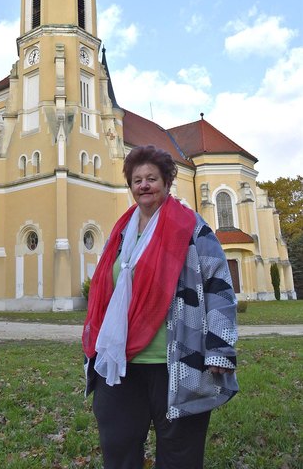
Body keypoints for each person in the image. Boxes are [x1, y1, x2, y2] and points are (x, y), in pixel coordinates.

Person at [82, 145, 238, 469]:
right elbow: (106, 290)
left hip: (179, 361)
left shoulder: (191, 227)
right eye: (137, 180)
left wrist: (220, 347)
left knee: (180, 452)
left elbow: (219, 284)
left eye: (151, 178)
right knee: (118, 446)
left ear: (166, 182)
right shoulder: (122, 232)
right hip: (121, 362)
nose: (144, 185)